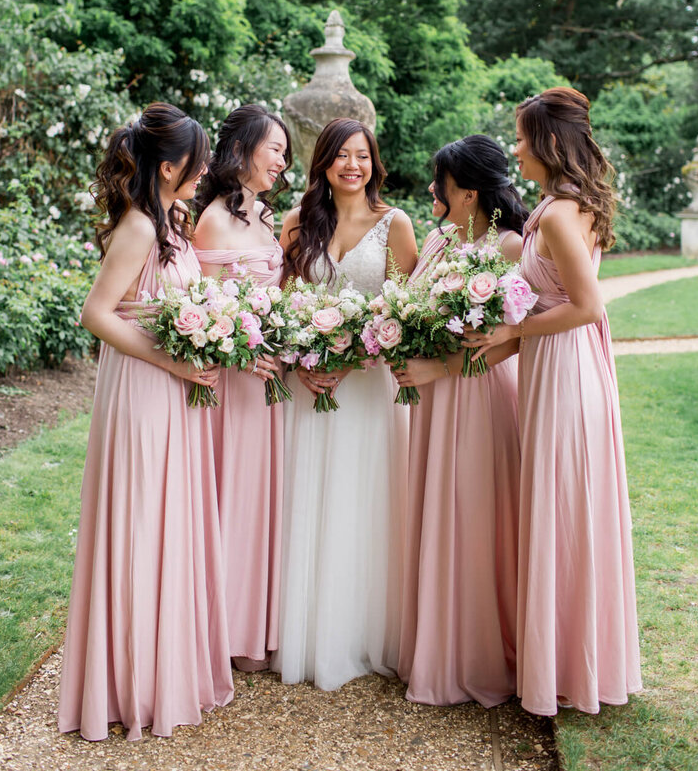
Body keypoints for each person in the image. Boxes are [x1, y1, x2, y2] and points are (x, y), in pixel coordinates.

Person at [58, 103, 233, 742]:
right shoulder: (137, 226)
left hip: (175, 386)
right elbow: (97, 313)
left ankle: (166, 669)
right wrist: (173, 362)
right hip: (143, 390)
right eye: (199, 160)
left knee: (171, 522)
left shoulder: (174, 223)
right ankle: (132, 681)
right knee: (142, 521)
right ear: (168, 167)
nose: (207, 168)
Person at [467, 87, 642, 715]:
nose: (514, 148)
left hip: (567, 375)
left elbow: (587, 306)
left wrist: (512, 331)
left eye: (520, 137)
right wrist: (503, 345)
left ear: (546, 144)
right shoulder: (556, 205)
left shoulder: (564, 215)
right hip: (551, 365)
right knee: (560, 508)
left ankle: (568, 665)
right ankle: (564, 658)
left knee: (564, 507)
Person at [272, 118, 418, 690]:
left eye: (361, 156)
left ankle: (363, 635)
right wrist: (305, 361)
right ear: (323, 163)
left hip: (365, 388)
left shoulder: (395, 224)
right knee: (310, 498)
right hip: (311, 389)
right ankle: (309, 633)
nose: (352, 166)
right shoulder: (296, 225)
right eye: (341, 156)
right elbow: (283, 308)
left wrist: (353, 358)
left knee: (364, 502)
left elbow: (404, 315)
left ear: (374, 163)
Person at [392, 135, 527, 706]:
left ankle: (475, 653)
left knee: (473, 516)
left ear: (468, 193)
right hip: (432, 399)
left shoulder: (511, 247)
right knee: (435, 509)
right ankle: (434, 645)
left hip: (474, 394)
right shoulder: (439, 239)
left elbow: (515, 339)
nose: (430, 189)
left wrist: (437, 369)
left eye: (439, 182)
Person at [192, 104, 290, 671]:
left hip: (267, 381)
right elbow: (202, 310)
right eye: (274, 148)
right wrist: (246, 353)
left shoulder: (263, 217)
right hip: (231, 382)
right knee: (230, 495)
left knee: (260, 498)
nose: (281, 160)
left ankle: (252, 626)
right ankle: (221, 630)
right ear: (243, 150)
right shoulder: (211, 220)